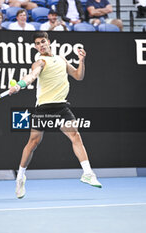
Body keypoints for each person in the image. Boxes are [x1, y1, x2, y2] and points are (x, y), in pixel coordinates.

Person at [9, 32, 102, 199]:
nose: (41, 45)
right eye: (37, 44)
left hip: (61, 107)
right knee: (33, 142)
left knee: (75, 136)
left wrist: (81, 61)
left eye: (43, 42)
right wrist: (20, 85)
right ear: (36, 47)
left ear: (48, 42)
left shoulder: (61, 59)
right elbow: (32, 76)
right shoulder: (40, 61)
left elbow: (78, 76)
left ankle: (88, 173)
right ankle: (20, 177)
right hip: (44, 108)